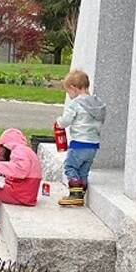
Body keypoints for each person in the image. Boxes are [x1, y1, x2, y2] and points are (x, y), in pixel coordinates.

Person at [54, 70, 106, 206]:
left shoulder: (75, 104)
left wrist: (59, 121)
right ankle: (81, 194)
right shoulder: (97, 103)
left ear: (73, 88)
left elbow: (66, 121)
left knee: (70, 166)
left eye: (68, 92)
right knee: (83, 170)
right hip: (93, 145)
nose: (69, 95)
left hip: (79, 143)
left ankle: (75, 195)